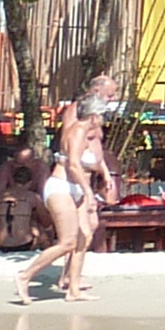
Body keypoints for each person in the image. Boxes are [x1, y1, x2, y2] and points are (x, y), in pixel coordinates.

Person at [15, 109, 115, 309]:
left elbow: (93, 161)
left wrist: (104, 174)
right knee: (68, 242)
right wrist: (88, 193)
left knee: (84, 237)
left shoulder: (91, 133)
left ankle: (73, 290)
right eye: (103, 111)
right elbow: (75, 166)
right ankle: (25, 276)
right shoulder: (77, 131)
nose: (105, 117)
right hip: (61, 187)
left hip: (75, 188)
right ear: (93, 114)